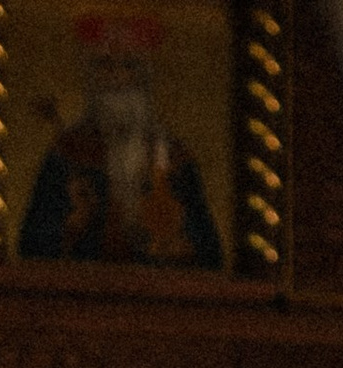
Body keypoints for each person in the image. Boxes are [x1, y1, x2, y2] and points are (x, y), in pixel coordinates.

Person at [20, 13, 223, 266]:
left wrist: (177, 244)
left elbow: (207, 252)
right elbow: (32, 246)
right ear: (92, 77)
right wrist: (74, 222)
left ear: (143, 77)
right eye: (106, 66)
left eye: (129, 66)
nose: (117, 78)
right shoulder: (68, 153)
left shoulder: (175, 158)